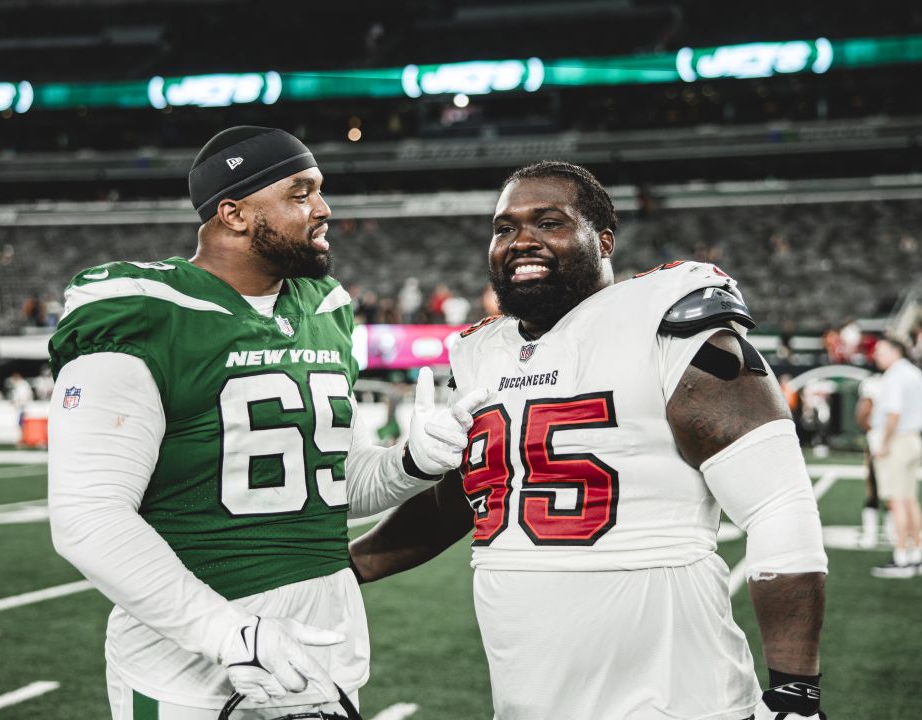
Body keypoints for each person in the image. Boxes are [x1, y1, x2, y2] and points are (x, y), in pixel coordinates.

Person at [350, 161, 829, 719]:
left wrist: (796, 692)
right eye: (504, 228)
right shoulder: (480, 353)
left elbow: (779, 505)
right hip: (527, 697)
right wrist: (344, 567)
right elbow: (467, 501)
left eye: (548, 222)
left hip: (676, 697)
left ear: (603, 241)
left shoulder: (667, 321)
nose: (521, 241)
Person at [45, 126, 485, 720]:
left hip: (320, 653)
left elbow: (331, 486)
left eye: (320, 191)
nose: (324, 209)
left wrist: (412, 463)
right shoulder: (145, 312)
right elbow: (87, 516)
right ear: (234, 213)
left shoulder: (323, 308)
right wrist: (230, 634)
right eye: (300, 193)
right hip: (190, 670)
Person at [867, 336, 922, 578]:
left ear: (895, 351)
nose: (876, 354)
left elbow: (893, 413)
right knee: (909, 500)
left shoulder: (894, 376)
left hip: (897, 442)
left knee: (897, 501)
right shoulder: (914, 373)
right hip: (912, 440)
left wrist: (885, 443)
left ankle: (902, 558)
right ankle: (916, 555)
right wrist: (918, 425)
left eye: (881, 350)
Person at [855, 372, 887, 549]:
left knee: (875, 488)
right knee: (891, 492)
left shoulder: (874, 383)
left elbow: (861, 414)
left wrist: (874, 433)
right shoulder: (896, 379)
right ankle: (887, 532)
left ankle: (871, 533)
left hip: (880, 440)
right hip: (892, 439)